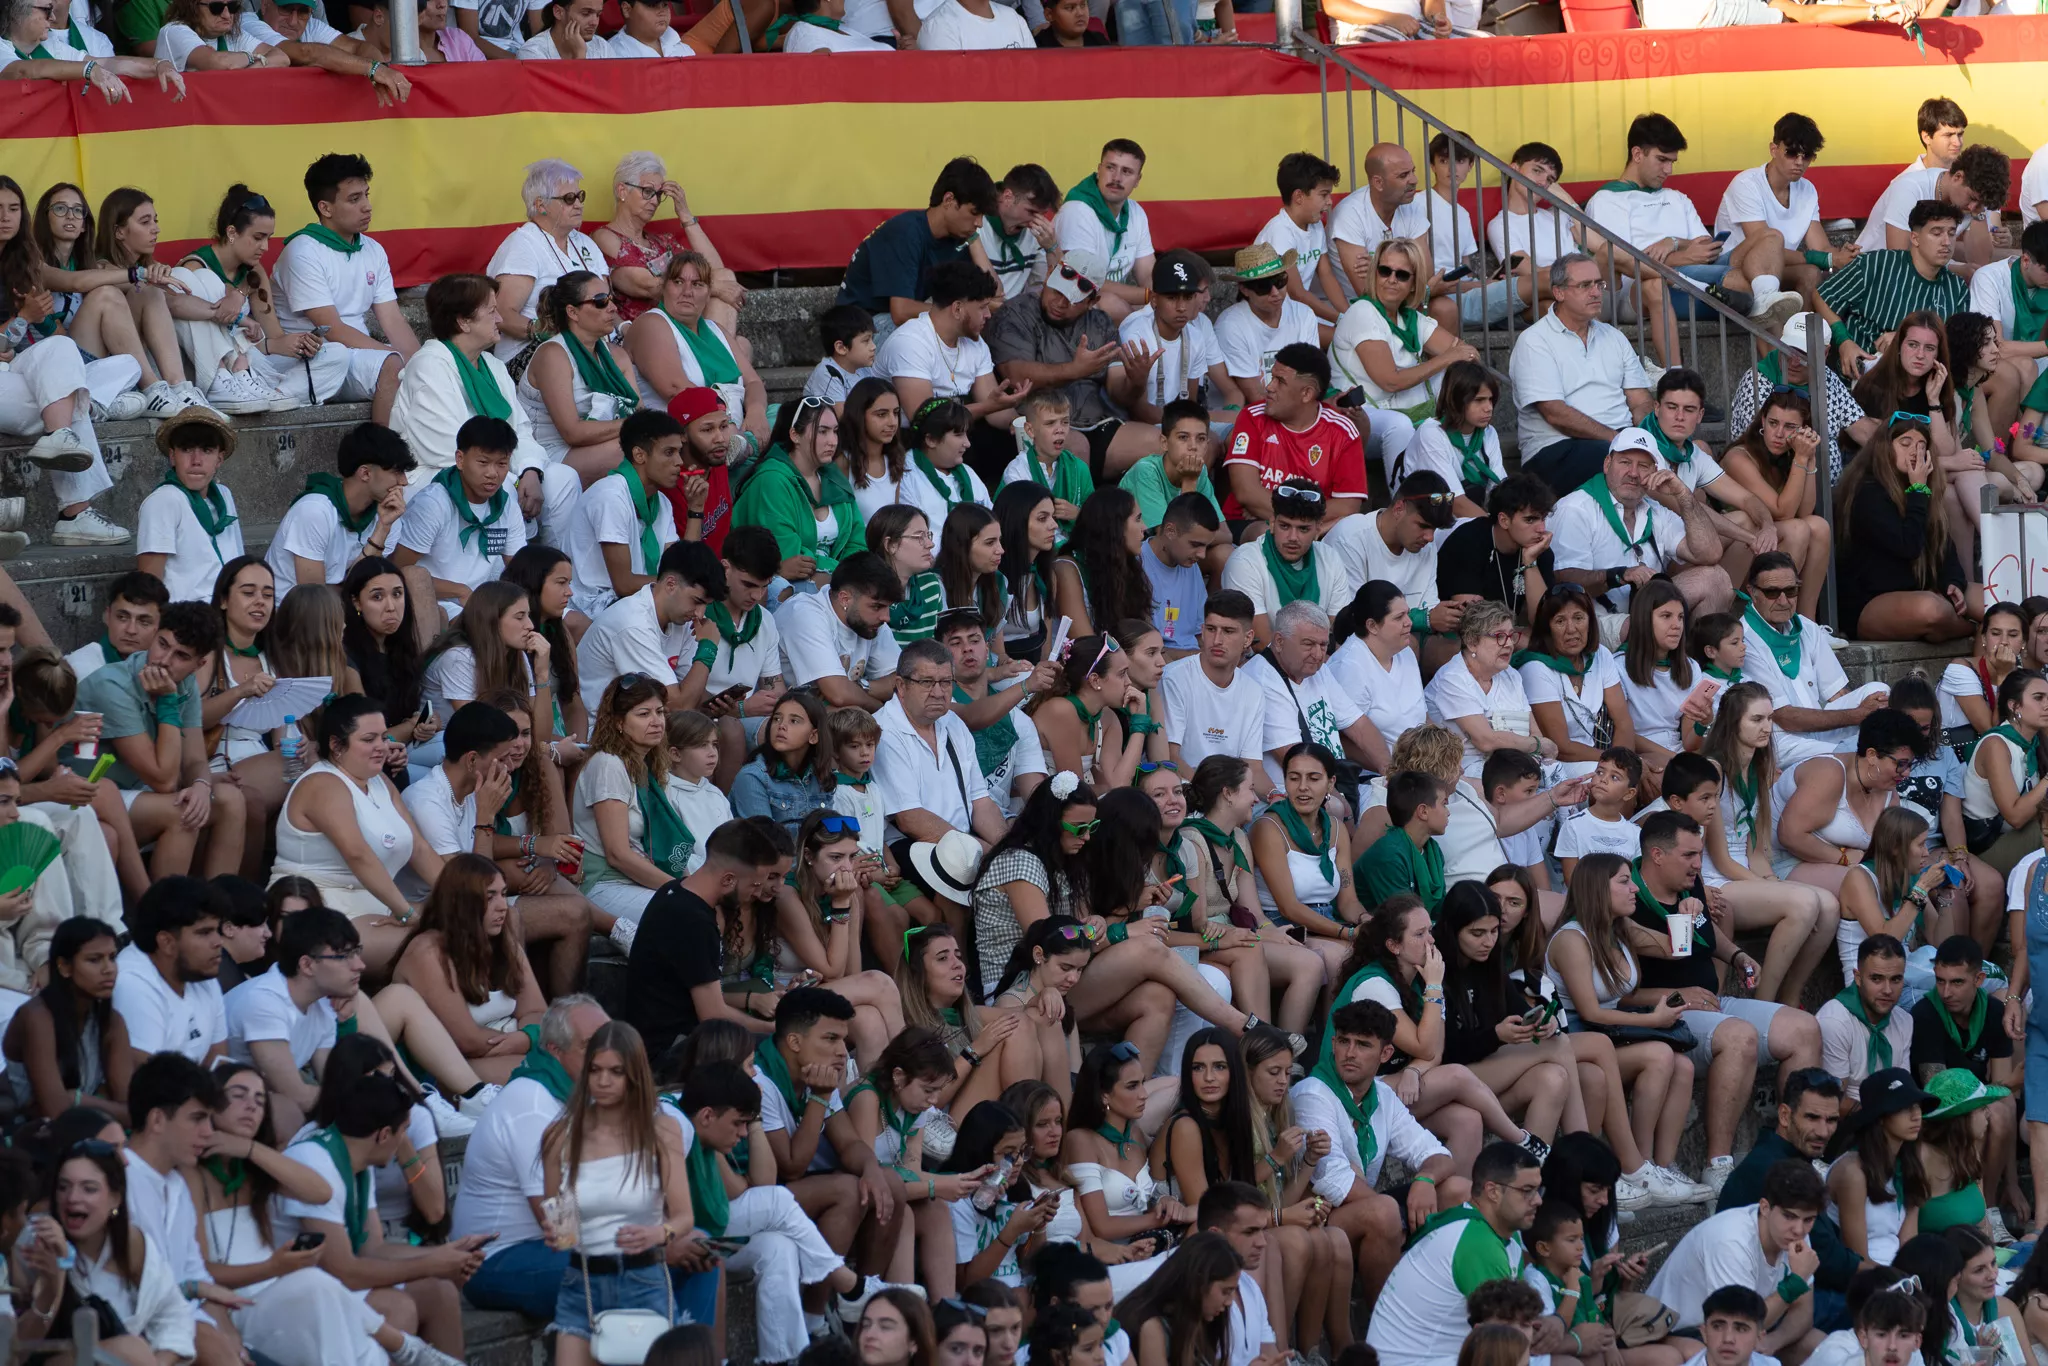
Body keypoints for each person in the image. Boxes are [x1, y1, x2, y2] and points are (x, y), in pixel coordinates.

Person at [272, 1071, 489, 1358]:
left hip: (331, 1284)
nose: (405, 1142)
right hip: (291, 1292)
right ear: (385, 1134)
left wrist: (449, 1254)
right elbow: (343, 1271)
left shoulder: (359, 1159)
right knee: (397, 1307)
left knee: (441, 1293)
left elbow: (373, 1248)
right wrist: (432, 1263)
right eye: (405, 1131)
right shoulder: (316, 1162)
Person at [535, 1020, 693, 1366]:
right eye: (595, 1070)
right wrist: (557, 1233)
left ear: (633, 1075)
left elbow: (684, 1218)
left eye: (616, 1072)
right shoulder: (559, 1135)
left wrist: (657, 1233)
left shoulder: (661, 1130)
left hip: (643, 1280)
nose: (603, 1081)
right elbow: (562, 1230)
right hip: (583, 1283)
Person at [72, 599, 245, 880]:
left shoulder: (185, 683)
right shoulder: (112, 686)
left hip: (131, 790)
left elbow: (194, 759)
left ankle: (220, 912)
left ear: (199, 664)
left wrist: (202, 784)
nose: (164, 660)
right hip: (85, 794)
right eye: (163, 644)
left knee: (230, 799)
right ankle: (166, 916)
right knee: (182, 813)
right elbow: (163, 780)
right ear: (154, 636)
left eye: (181, 655)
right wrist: (167, 700)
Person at [269, 695, 442, 965]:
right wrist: (408, 915)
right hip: (322, 911)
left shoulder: (379, 780)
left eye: (384, 738)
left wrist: (461, 896)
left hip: (377, 908)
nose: (381, 747)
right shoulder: (323, 783)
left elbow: (419, 847)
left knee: (479, 919)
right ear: (336, 745)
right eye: (368, 739)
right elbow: (357, 853)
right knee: (434, 944)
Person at [1361, 1142, 1539, 1366]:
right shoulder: (1478, 1244)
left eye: (1538, 1190)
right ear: (1493, 1192)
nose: (1538, 1200)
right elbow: (1507, 1343)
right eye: (1527, 1191)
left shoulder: (1501, 1235)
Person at [269, 154, 416, 423]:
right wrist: (395, 356)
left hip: (358, 354)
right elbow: (332, 329)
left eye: (366, 195)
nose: (367, 207)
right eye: (354, 199)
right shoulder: (302, 251)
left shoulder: (373, 249)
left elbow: (393, 319)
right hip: (316, 361)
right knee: (395, 365)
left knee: (428, 366)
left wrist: (420, 361)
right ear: (325, 208)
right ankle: (382, 459)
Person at [1835, 416, 1973, 643]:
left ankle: (1985, 629)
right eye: (1905, 443)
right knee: (1932, 609)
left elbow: (1944, 547)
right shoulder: (1866, 492)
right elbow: (1908, 545)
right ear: (1884, 448)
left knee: (1992, 599)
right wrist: (1918, 488)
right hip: (1870, 602)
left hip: (1918, 591)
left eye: (1921, 446)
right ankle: (1979, 630)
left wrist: (1953, 583)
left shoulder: (1923, 491)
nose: (1915, 452)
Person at [838, 157, 1000, 334]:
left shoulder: (959, 237)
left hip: (897, 322)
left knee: (983, 328)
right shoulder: (905, 232)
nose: (980, 223)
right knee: (947, 330)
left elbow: (995, 297)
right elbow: (901, 312)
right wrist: (961, 311)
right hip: (860, 328)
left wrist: (973, 239)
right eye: (974, 213)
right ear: (948, 200)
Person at [1221, 344, 1366, 534]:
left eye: (1280, 381)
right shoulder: (1252, 417)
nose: (1269, 387)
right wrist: (1305, 526)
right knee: (1262, 534)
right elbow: (1247, 492)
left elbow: (1347, 507)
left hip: (1309, 529)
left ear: (1306, 393)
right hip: (1249, 525)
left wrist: (1293, 524)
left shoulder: (1342, 432)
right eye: (1272, 377)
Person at [1819, 203, 1972, 376]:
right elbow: (1822, 297)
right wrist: (1843, 341)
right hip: (1861, 376)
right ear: (1915, 238)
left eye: (1952, 234)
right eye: (1936, 233)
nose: (1946, 242)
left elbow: (1955, 343)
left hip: (1921, 383)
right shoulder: (1878, 264)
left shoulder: (1957, 288)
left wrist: (1906, 339)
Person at [577, 540, 724, 719]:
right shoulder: (633, 623)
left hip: (642, 723)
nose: (700, 614)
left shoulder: (681, 618)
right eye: (697, 601)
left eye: (706, 606)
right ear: (671, 584)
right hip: (601, 730)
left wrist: (733, 706)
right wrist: (708, 648)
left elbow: (690, 692)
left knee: (724, 727)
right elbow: (678, 706)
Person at [2, 917, 129, 1122]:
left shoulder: (112, 1022)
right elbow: (56, 1112)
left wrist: (78, 1100)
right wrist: (97, 1102)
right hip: (25, 1137)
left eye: (112, 957)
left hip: (89, 1130)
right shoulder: (37, 1018)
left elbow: (132, 1112)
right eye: (94, 960)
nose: (109, 969)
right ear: (64, 967)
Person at [594, 153, 735, 328]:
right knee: (740, 344)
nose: (655, 201)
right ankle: (718, 353)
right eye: (647, 191)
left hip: (678, 325)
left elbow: (714, 270)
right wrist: (717, 288)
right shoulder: (605, 237)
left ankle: (717, 352)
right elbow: (648, 285)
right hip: (646, 333)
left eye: (659, 195)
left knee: (726, 276)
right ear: (622, 191)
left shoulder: (661, 242)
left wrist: (685, 215)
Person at [268, 423, 415, 589]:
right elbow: (315, 598)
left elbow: (366, 585)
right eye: (397, 472)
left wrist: (382, 529)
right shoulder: (314, 512)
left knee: (416, 578)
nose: (404, 482)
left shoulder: (388, 516)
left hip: (342, 603)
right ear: (365, 473)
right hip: (294, 608)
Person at [1221, 481, 1353, 646]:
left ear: (1318, 529)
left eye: (1303, 529)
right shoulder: (1245, 562)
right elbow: (1261, 644)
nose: (1292, 537)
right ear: (1273, 523)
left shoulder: (1330, 558)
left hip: (1319, 664)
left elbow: (1339, 636)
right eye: (1284, 526)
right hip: (1261, 667)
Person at [778, 552, 904, 714]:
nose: (886, 617)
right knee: (850, 716)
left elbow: (902, 682)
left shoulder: (872, 621)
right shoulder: (805, 613)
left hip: (816, 715)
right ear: (845, 599)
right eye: (877, 606)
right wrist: (882, 711)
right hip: (781, 720)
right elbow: (839, 694)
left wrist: (860, 686)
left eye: (888, 607)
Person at [1217, 245, 1331, 408]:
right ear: (1244, 290)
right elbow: (1255, 396)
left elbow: (1311, 376)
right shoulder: (1230, 325)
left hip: (1297, 408)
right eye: (1263, 286)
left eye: (1280, 281)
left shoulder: (1304, 314)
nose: (1275, 292)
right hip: (1252, 414)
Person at [1053, 141, 1156, 321]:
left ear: (1138, 180)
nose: (1116, 178)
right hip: (1068, 303)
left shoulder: (1136, 212)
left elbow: (1147, 272)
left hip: (1113, 300)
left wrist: (1162, 297)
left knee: (1170, 308)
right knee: (1110, 304)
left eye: (1126, 171)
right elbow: (1084, 283)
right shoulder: (1077, 210)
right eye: (1110, 168)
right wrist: (1151, 297)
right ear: (1099, 170)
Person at [1818, 936, 1915, 1104]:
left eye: (1896, 979)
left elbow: (1902, 1085)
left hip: (1891, 1113)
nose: (1887, 990)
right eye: (1876, 979)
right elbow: (1833, 1101)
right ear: (1858, 977)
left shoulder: (1904, 1020)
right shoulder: (1835, 1021)